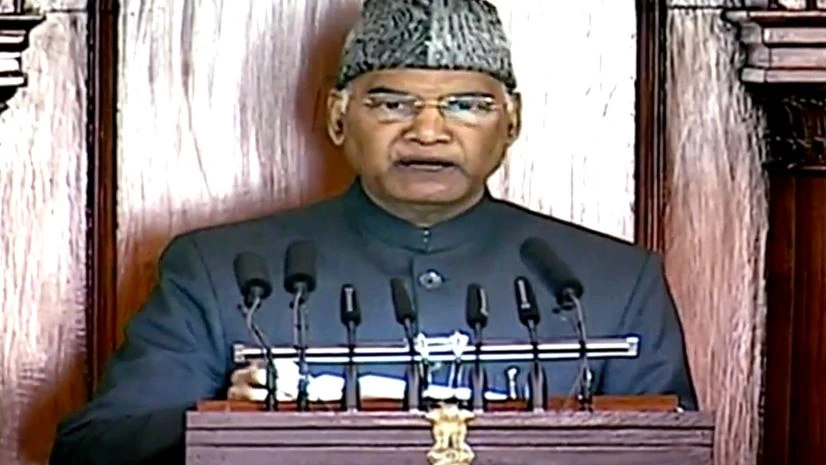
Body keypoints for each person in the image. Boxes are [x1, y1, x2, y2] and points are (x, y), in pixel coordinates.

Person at [50, 0, 697, 463]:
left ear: (512, 121)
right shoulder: (221, 269)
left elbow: (675, 452)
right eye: (391, 103)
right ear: (337, 117)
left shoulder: (614, 281)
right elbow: (92, 447)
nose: (428, 130)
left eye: (466, 105)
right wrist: (227, 420)